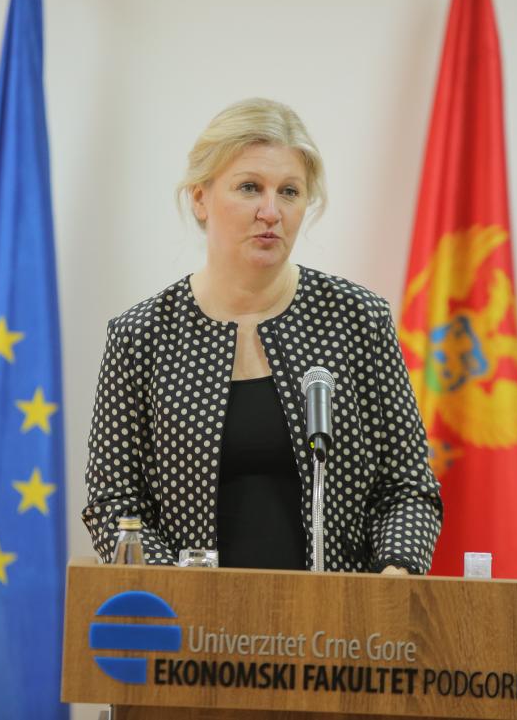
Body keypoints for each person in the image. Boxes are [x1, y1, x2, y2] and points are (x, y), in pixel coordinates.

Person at [82, 98, 441, 574]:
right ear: (200, 197)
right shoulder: (141, 337)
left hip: (340, 631)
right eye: (250, 188)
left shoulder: (358, 321)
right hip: (189, 631)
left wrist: (393, 577)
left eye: (289, 192)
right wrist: (176, 590)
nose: (271, 211)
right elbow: (114, 501)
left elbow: (408, 487)